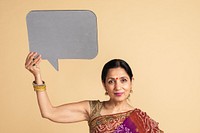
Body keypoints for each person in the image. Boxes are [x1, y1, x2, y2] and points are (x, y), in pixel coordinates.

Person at [25, 52, 164, 133]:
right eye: (111, 81)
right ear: (104, 84)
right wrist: (37, 76)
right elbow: (49, 112)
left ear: (131, 81)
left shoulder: (141, 119)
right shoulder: (92, 109)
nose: (118, 87)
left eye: (123, 80)